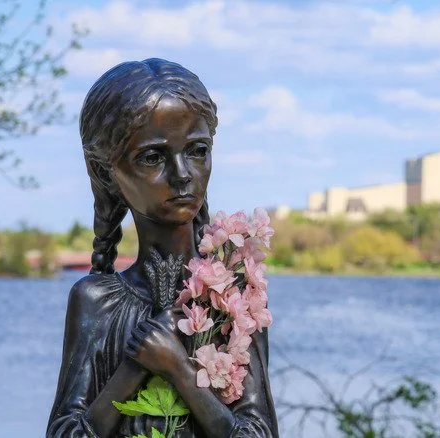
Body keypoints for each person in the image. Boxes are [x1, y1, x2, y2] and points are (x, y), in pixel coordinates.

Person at [46, 58, 278, 438]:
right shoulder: (95, 301)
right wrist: (133, 369)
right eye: (153, 157)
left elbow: (258, 432)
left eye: (197, 150)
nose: (183, 174)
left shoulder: (233, 300)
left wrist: (178, 370)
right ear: (107, 172)